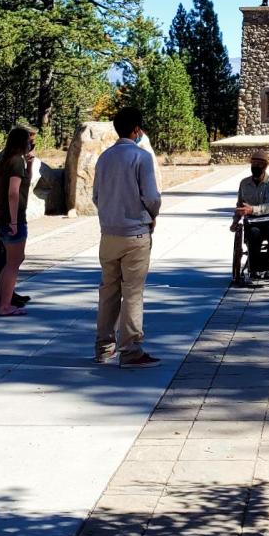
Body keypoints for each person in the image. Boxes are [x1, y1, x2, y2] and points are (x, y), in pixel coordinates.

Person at [93, 106, 163, 368]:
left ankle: (103, 347)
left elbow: (96, 196)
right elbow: (152, 197)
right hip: (135, 233)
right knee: (132, 292)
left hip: (108, 233)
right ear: (136, 129)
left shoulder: (104, 158)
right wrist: (152, 214)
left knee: (108, 291)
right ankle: (130, 349)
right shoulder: (141, 157)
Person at [0, 123, 37, 310]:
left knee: (8, 262)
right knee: (14, 262)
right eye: (29, 142)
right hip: (13, 217)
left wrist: (30, 164)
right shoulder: (16, 161)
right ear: (22, 142)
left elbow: (25, 181)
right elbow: (13, 193)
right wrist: (14, 221)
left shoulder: (3, 157)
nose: (31, 146)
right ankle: (5, 306)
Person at [233, 151, 269, 285]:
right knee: (253, 233)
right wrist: (235, 221)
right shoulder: (244, 184)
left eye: (259, 164)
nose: (256, 166)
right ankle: (255, 268)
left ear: (265, 166)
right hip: (253, 220)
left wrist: (252, 209)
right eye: (253, 164)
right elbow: (239, 205)